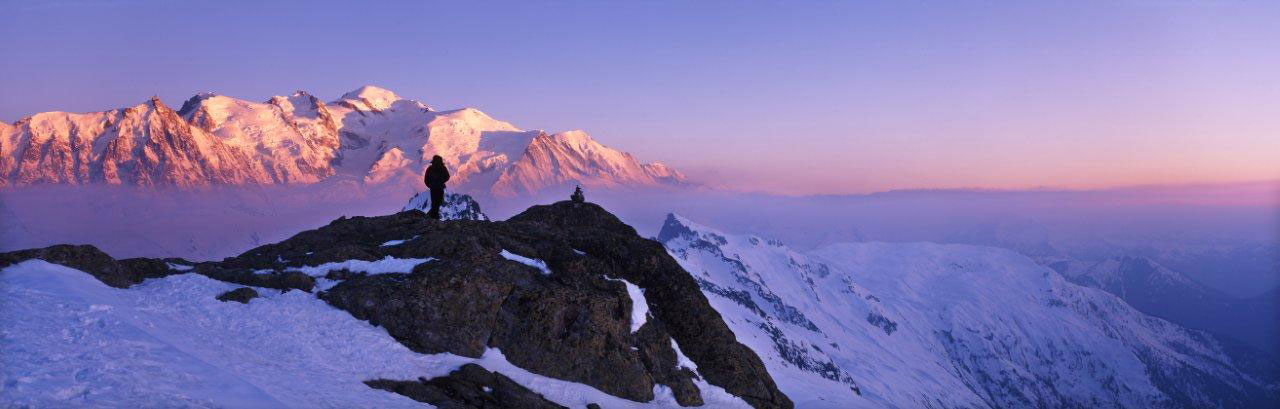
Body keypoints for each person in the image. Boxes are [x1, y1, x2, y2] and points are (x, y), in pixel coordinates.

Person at [423, 155, 450, 220]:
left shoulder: (430, 169)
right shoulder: (443, 168)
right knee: (437, 202)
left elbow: (426, 179)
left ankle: (433, 216)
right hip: (439, 188)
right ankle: (434, 217)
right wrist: (441, 181)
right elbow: (447, 176)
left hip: (434, 188)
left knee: (435, 202)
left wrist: (430, 185)